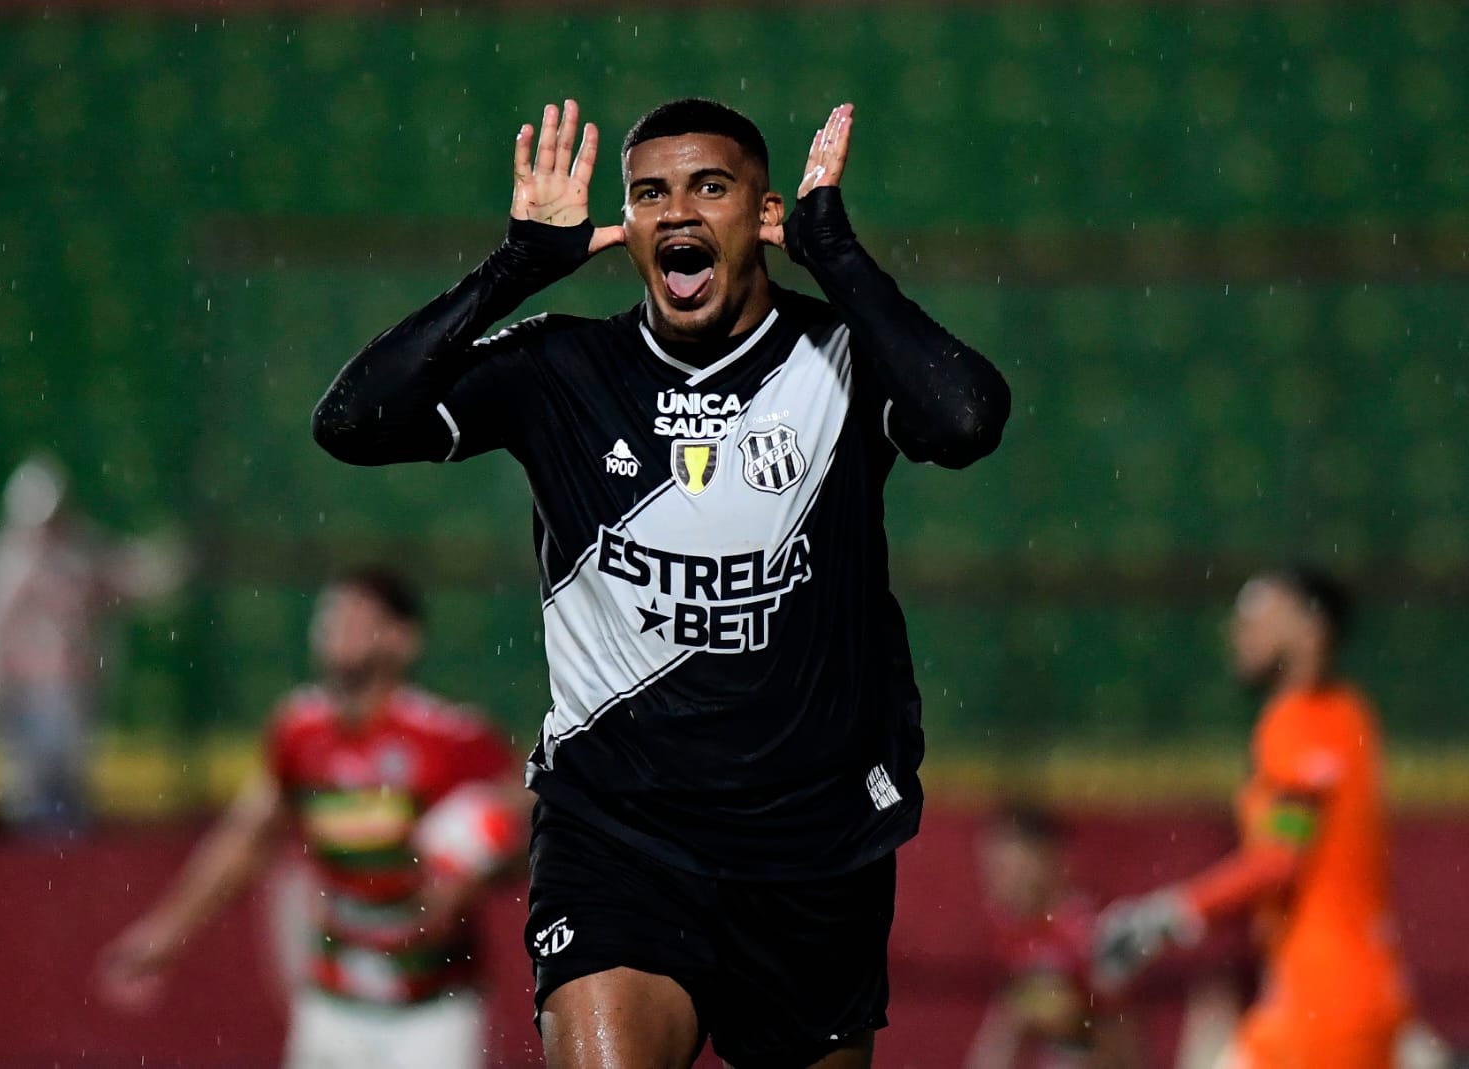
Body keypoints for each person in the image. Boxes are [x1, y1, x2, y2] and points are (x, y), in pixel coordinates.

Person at [312, 96, 1010, 1068]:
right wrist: (513, 267)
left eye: (708, 188)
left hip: (811, 846)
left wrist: (838, 258)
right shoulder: (561, 366)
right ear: (630, 227)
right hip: (617, 835)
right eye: (649, 194)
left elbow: (968, 418)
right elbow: (351, 422)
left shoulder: (840, 357)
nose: (676, 211)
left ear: (763, 214)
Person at [98, 568, 525, 1069]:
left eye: (356, 615)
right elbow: (247, 839)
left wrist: (474, 874)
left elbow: (527, 824)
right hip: (332, 1005)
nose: (335, 627)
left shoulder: (450, 738)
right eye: (329, 615)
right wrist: (165, 933)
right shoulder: (300, 731)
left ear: (402, 638)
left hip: (432, 1011)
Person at [1093, 568, 1413, 1069]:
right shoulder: (1349, 714)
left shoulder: (1299, 722)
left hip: (1325, 1013)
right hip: (1331, 1001)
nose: (1241, 628)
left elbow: (1280, 858)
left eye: (1261, 611)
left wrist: (1170, 912)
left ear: (1311, 627)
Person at [0, 453, 181, 833]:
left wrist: (163, 567)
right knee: (28, 784)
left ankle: (62, 849)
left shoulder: (78, 553)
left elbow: (122, 579)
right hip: (23, 688)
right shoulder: (6, 565)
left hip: (71, 686)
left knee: (68, 775)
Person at [965, 803, 1143, 1069]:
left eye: (1006, 868)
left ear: (1048, 860)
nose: (996, 881)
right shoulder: (1014, 933)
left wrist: (1060, 1015)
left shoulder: (1086, 931)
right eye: (989, 869)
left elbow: (1121, 1039)